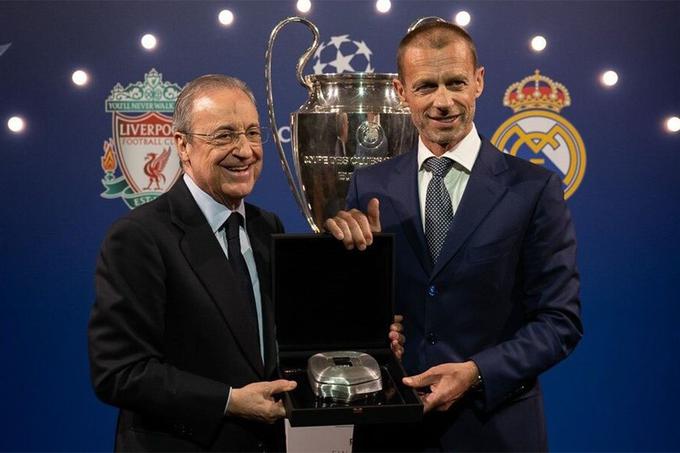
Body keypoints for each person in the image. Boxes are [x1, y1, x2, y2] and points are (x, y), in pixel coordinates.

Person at [326, 21, 583, 451]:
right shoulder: (368, 186)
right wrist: (366, 325)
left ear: (479, 81)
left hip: (495, 429)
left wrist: (475, 372)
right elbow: (358, 317)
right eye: (426, 86)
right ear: (401, 90)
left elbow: (560, 322)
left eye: (456, 83)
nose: (443, 102)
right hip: (393, 430)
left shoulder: (534, 188)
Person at [88, 74, 298, 451]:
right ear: (182, 145)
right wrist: (229, 401)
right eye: (224, 135)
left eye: (252, 133)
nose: (245, 150)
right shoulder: (139, 236)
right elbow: (118, 372)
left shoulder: (269, 228)